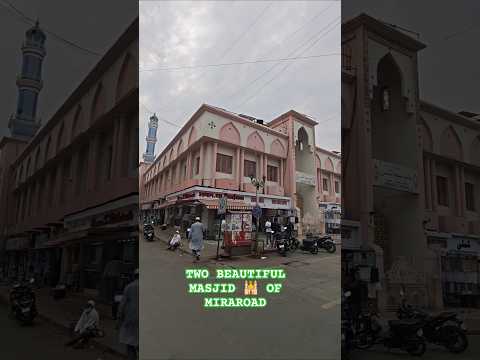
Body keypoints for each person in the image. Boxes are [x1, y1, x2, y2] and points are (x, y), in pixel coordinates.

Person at [118, 269, 139, 360]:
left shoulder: (129, 287)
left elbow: (122, 305)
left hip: (131, 319)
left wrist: (119, 319)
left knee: (130, 343)